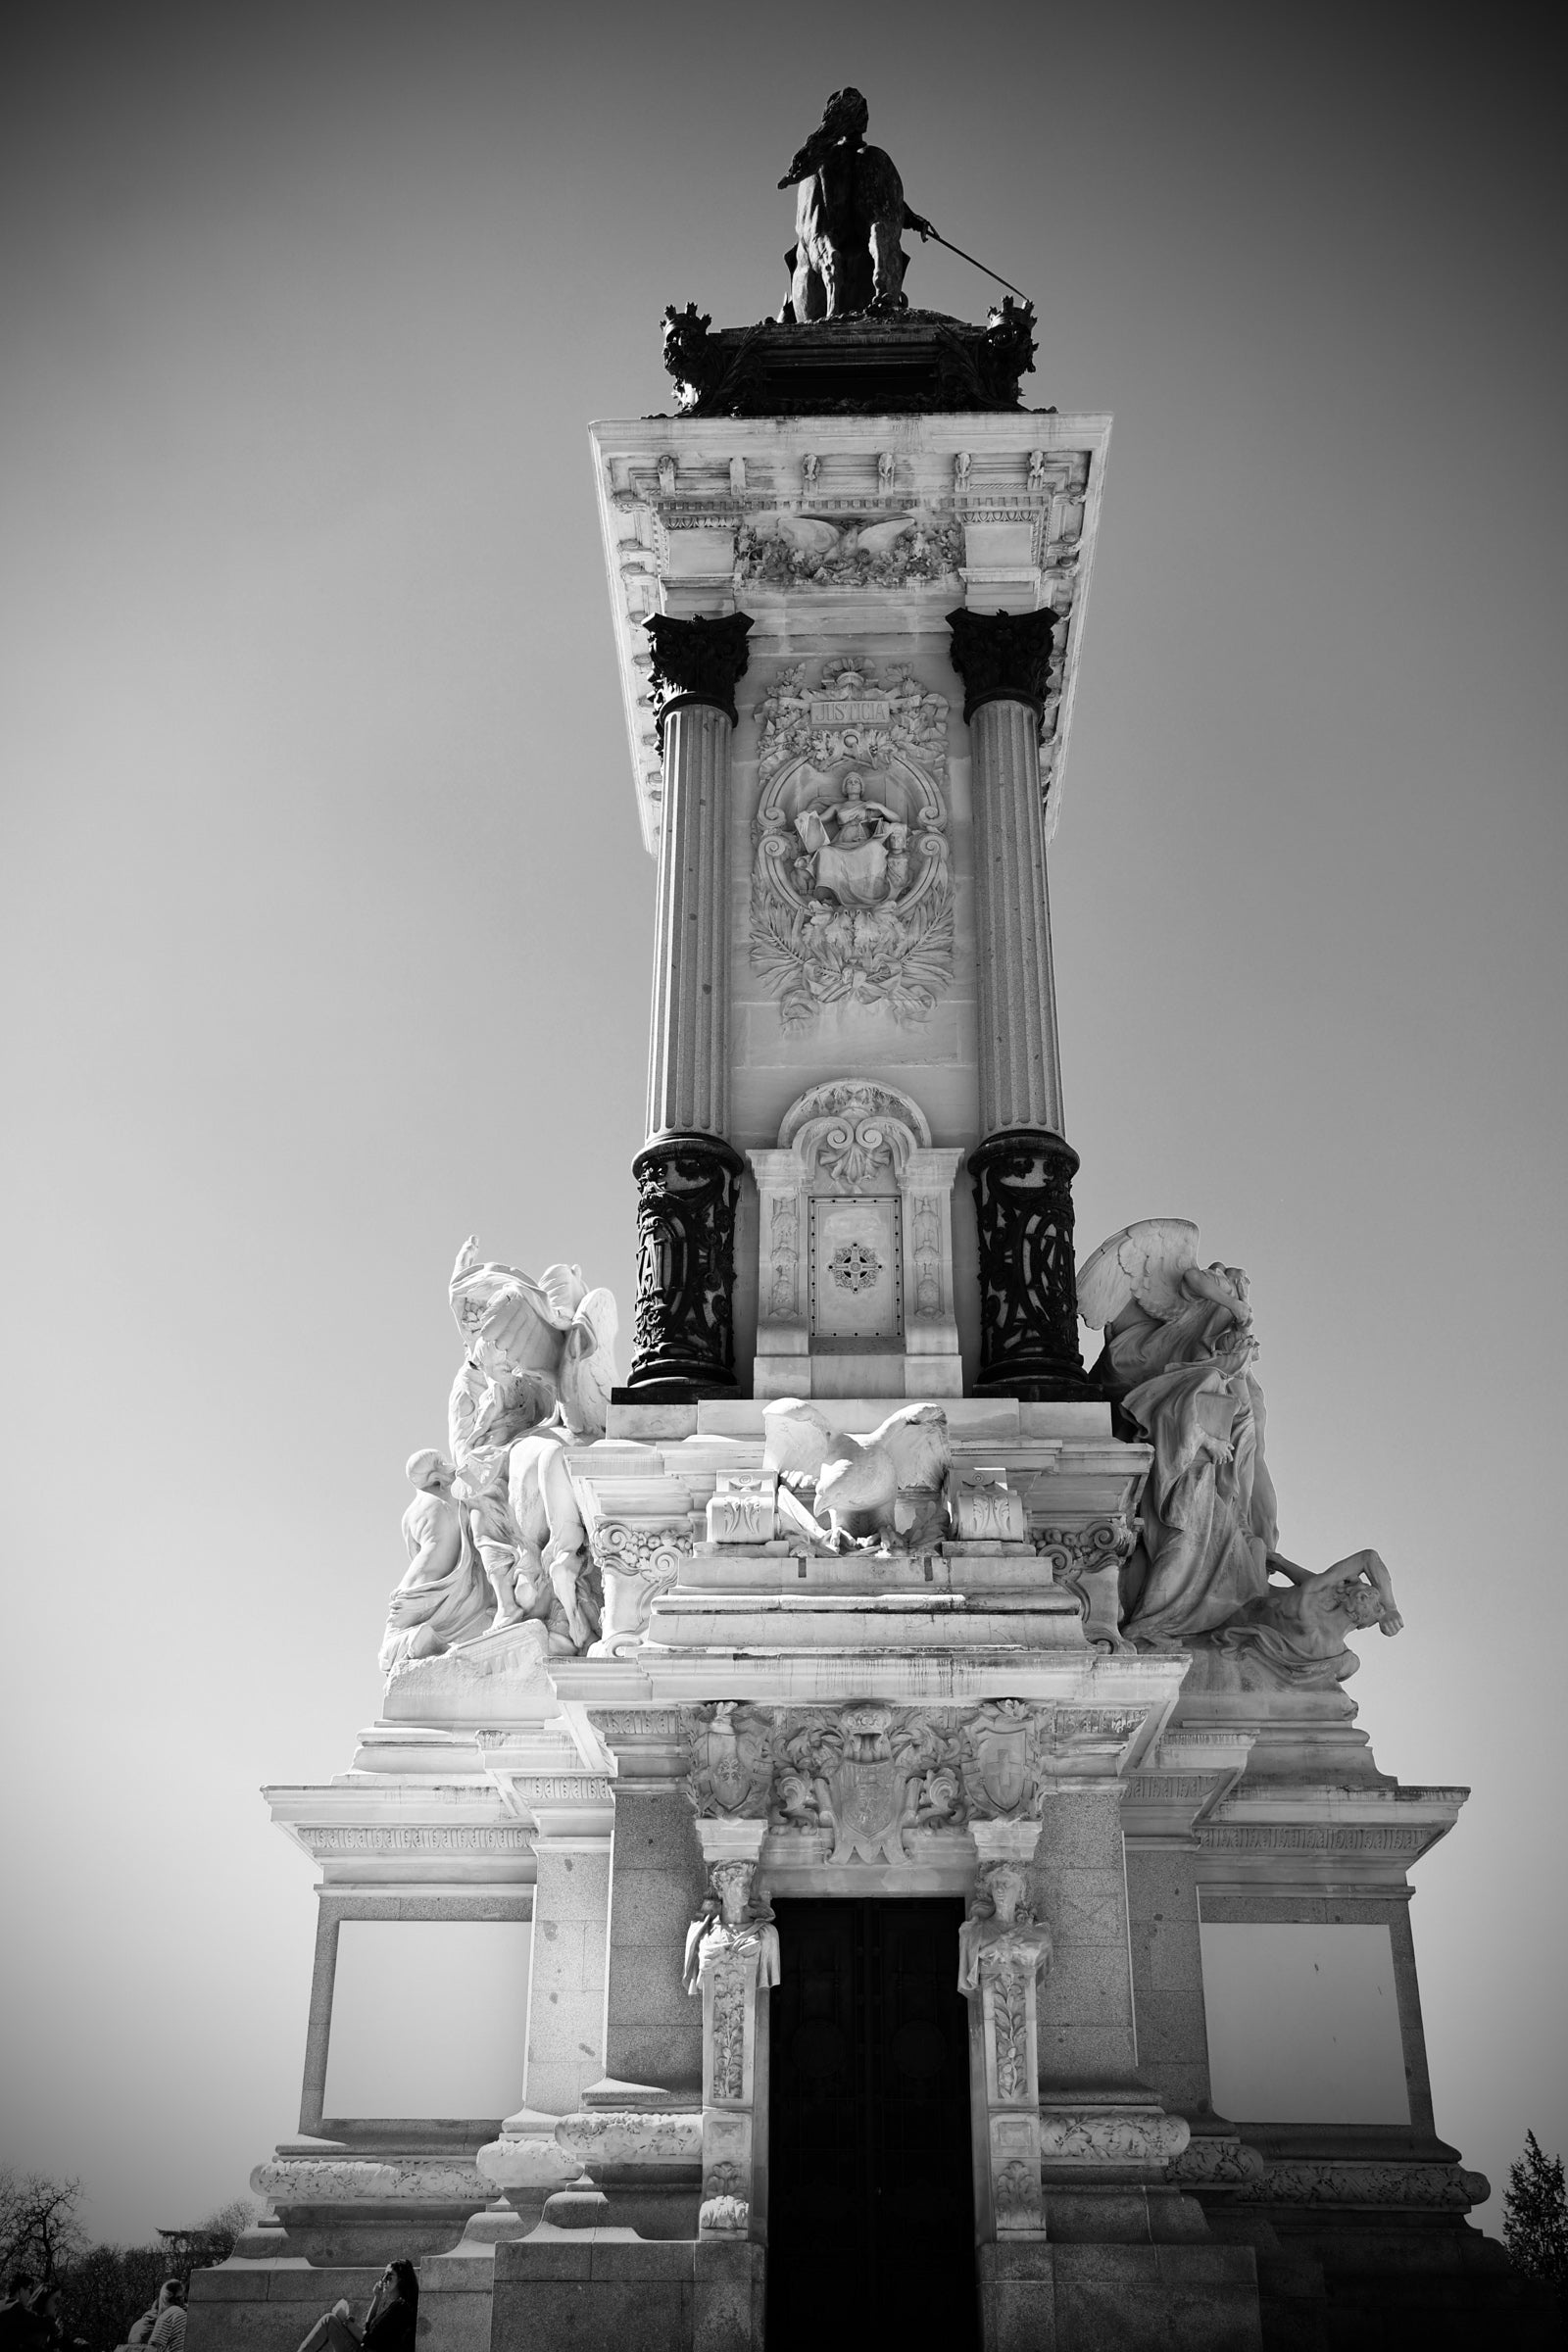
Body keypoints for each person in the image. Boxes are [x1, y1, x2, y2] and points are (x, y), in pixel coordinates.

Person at [295, 2262, 417, 2352]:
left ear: (401, 2280)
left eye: (389, 2276)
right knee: (330, 2319)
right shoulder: (400, 2305)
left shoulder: (401, 2308)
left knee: (329, 2320)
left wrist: (346, 2321)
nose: (384, 2279)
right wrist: (377, 2298)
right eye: (383, 2275)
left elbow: (369, 2340)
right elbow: (369, 2328)